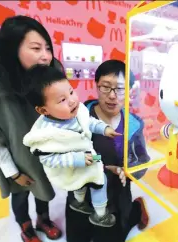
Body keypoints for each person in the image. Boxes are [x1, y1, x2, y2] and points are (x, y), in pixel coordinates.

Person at [0, 16, 62, 242]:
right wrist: (13, 172)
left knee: (43, 188)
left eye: (48, 48)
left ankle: (43, 218)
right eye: (36, 48)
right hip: (16, 159)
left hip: (44, 154)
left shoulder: (49, 76)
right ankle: (26, 227)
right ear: (12, 50)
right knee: (20, 194)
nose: (45, 55)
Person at [65, 60, 151, 242]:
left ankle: (135, 209)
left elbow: (142, 160)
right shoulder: (78, 116)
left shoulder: (134, 125)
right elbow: (66, 154)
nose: (112, 95)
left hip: (113, 195)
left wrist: (127, 170)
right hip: (81, 192)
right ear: (96, 86)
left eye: (120, 89)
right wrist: (100, 165)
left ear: (128, 92)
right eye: (106, 87)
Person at [22, 64, 122, 228]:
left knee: (97, 167)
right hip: (72, 166)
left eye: (71, 91)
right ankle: (101, 215)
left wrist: (104, 128)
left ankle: (79, 201)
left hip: (89, 156)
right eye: (62, 100)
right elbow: (50, 160)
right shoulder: (46, 136)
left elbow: (88, 122)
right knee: (99, 181)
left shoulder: (78, 110)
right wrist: (77, 159)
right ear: (43, 110)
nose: (72, 100)